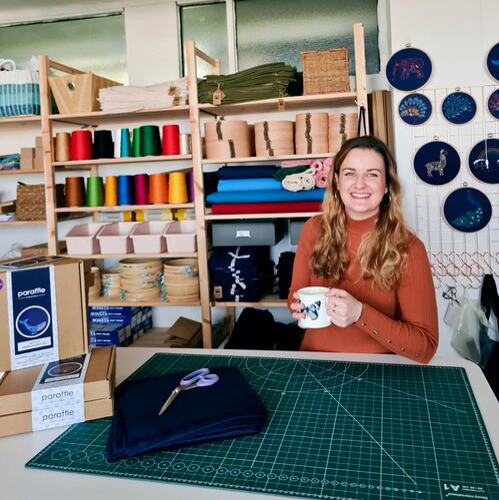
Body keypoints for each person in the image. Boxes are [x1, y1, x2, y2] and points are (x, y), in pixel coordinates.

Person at [288, 136, 438, 364]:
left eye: (372, 174)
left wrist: (360, 313)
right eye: (350, 173)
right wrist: (296, 305)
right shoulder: (313, 229)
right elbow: (295, 293)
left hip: (378, 373)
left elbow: (424, 347)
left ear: (387, 185)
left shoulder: (409, 248)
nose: (359, 184)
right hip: (313, 363)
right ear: (337, 181)